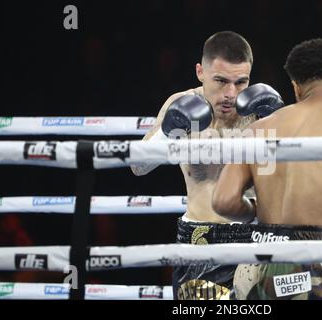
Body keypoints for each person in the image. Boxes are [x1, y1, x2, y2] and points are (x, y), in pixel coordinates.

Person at [212, 38, 322, 300]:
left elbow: (224, 202)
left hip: (256, 260)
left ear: (296, 88)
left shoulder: (257, 130)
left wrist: (259, 209)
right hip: (313, 258)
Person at [130, 31, 284, 300]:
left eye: (241, 82)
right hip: (201, 239)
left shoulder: (261, 110)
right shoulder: (180, 104)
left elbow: (290, 179)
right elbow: (139, 167)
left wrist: (279, 123)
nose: (230, 94)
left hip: (258, 237)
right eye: (221, 81)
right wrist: (169, 130)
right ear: (200, 71)